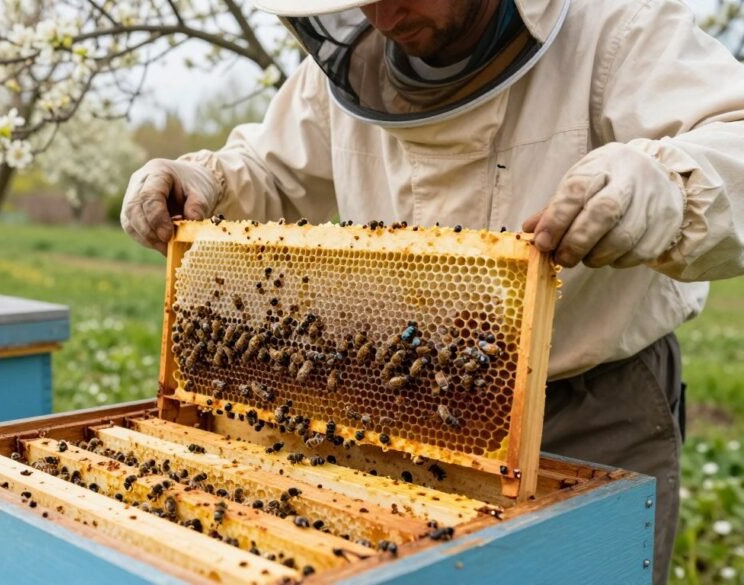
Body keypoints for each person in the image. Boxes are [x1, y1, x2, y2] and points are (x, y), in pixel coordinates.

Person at [120, 1, 744, 582]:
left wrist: (666, 185)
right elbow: (271, 168)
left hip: (589, 407)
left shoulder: (616, 28)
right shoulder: (353, 61)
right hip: (396, 408)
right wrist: (203, 179)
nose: (383, 14)